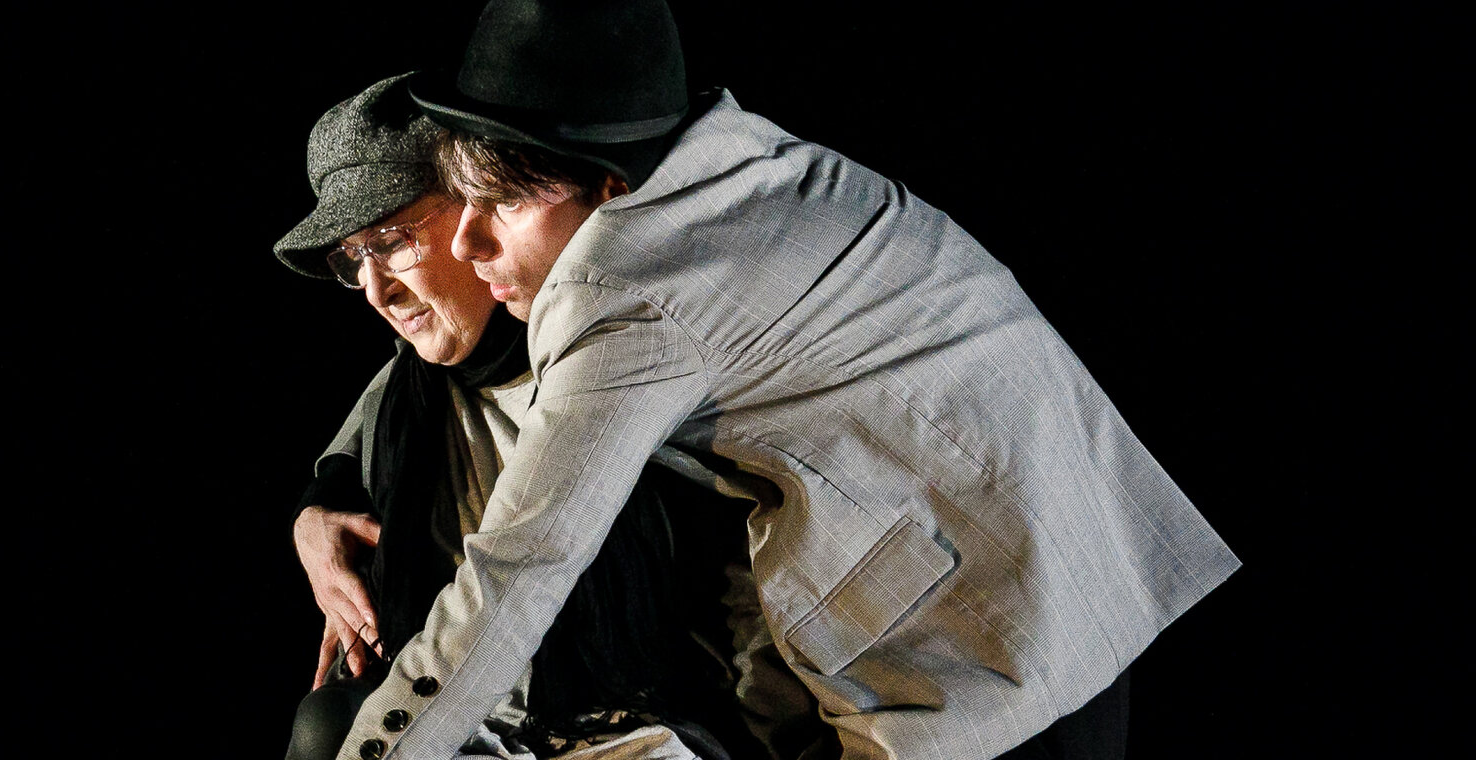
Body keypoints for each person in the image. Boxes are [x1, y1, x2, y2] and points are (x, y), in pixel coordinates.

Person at [327, 3, 1242, 760]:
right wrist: (323, 490)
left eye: (500, 204)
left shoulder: (623, 285)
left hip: (990, 629)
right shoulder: (734, 154)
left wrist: (376, 753)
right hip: (1086, 548)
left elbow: (520, 569)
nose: (469, 242)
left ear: (608, 189)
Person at [273, 75, 761, 760]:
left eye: (392, 240)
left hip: (638, 727)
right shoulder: (412, 393)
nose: (376, 290)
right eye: (355, 257)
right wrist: (315, 510)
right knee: (325, 724)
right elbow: (350, 446)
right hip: (473, 727)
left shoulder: (624, 362)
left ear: (480, 209)